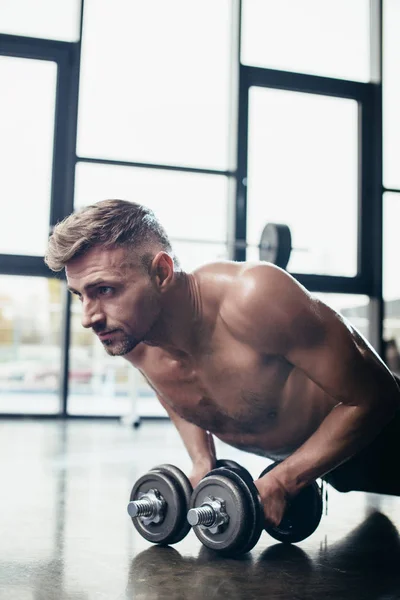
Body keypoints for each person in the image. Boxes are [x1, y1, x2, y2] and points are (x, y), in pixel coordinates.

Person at [45, 199, 400, 527]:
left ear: (162, 272)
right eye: (81, 296)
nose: (88, 318)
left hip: (385, 434)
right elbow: (175, 391)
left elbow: (378, 396)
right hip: (328, 462)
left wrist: (283, 480)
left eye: (105, 290)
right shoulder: (134, 337)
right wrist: (202, 461)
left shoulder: (254, 299)